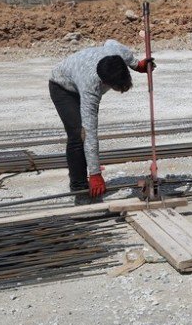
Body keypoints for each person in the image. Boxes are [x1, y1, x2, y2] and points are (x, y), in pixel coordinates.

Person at [49, 40, 154, 204]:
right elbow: (89, 131)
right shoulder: (92, 86)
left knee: (83, 136)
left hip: (78, 75)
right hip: (62, 87)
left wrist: (137, 65)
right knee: (78, 135)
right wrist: (96, 173)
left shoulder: (117, 52)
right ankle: (80, 189)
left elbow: (110, 41)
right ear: (105, 83)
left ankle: (88, 173)